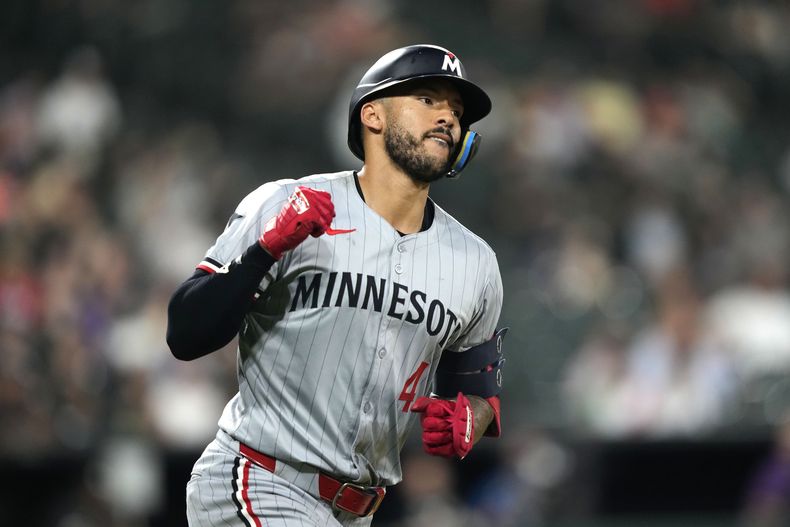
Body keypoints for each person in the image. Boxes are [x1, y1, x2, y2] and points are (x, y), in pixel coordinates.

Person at [166, 44, 507, 527]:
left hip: (356, 512)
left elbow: (477, 385)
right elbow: (185, 332)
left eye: (456, 110)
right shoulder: (288, 202)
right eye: (428, 99)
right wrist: (263, 251)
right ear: (372, 115)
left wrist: (472, 417)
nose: (448, 117)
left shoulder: (475, 263)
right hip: (260, 478)